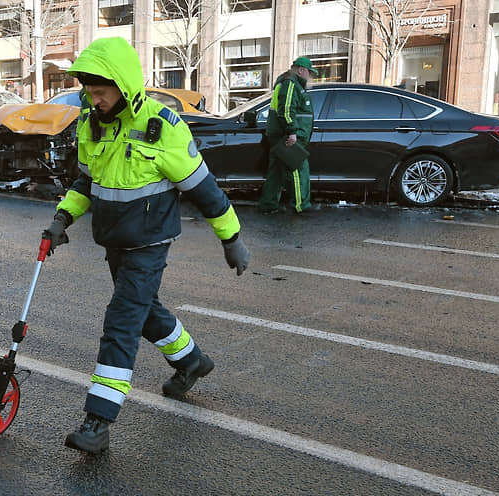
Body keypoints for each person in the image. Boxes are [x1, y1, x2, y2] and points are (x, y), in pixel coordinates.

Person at [42, 37, 251, 454]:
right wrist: (62, 218)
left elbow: (204, 190)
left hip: (150, 242)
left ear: (125, 85)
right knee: (142, 310)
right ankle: (192, 361)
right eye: (88, 89)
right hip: (115, 241)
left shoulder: (164, 127)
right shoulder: (91, 125)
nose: (93, 98)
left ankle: (98, 421)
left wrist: (232, 238)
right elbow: (87, 181)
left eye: (100, 90)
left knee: (121, 320)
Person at [258, 56, 318, 214]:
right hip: (288, 137)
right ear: (301, 70)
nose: (310, 77)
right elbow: (286, 111)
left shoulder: (288, 82)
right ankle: (301, 206)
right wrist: (292, 132)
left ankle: (268, 205)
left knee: (276, 172)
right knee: (299, 170)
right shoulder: (291, 84)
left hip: (279, 135)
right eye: (309, 73)